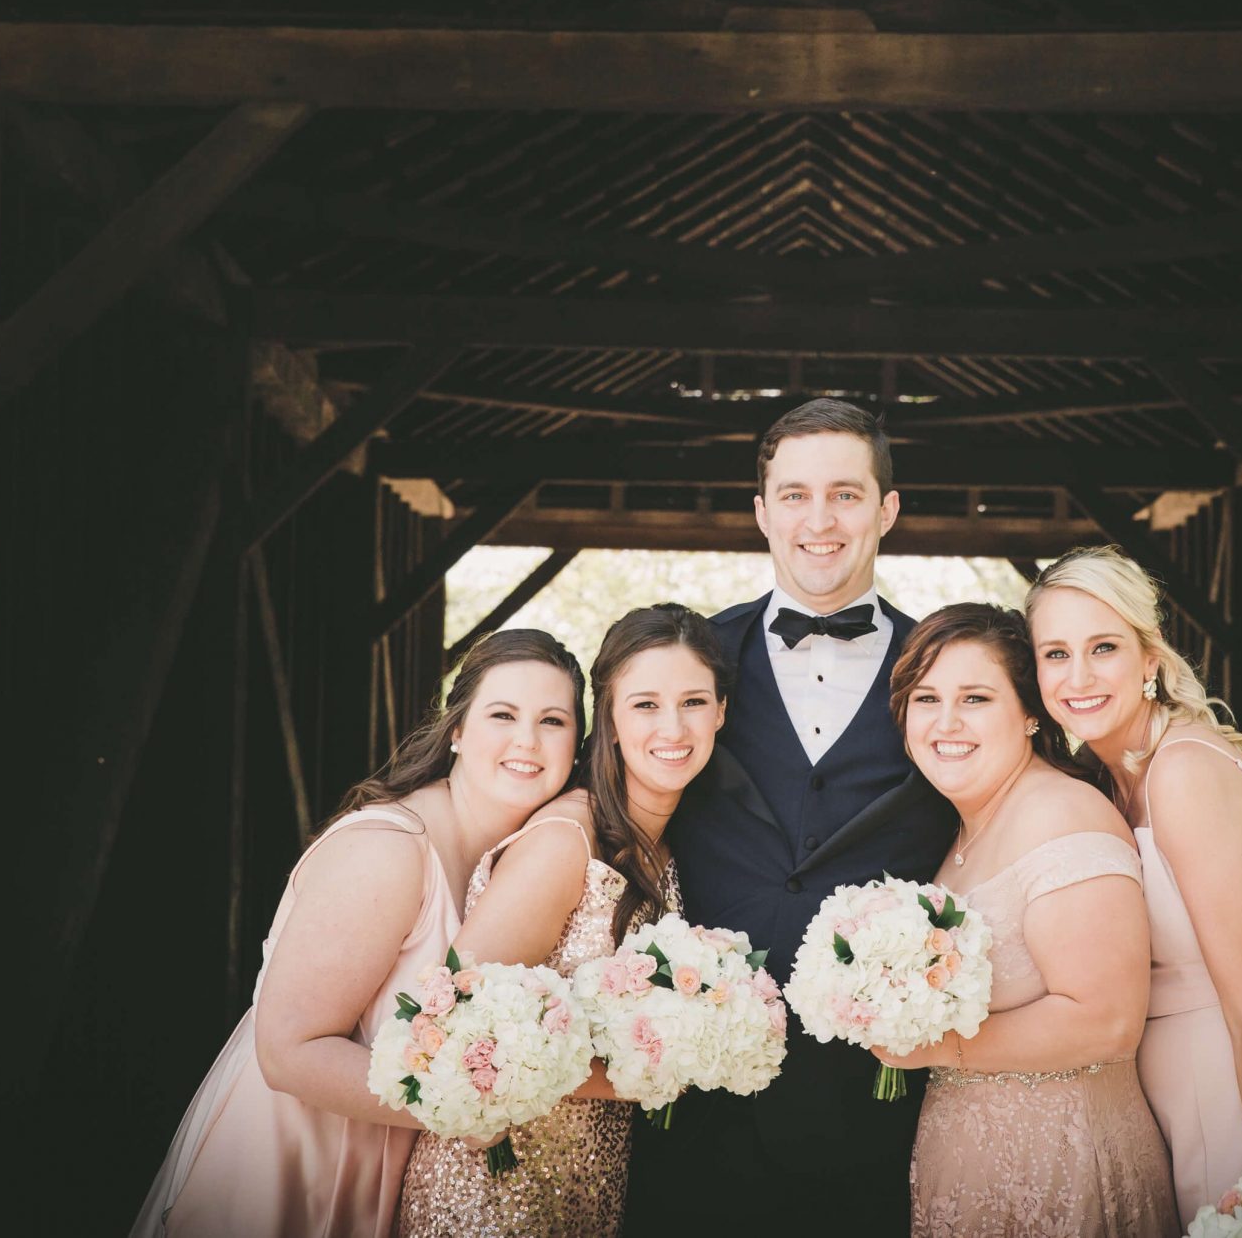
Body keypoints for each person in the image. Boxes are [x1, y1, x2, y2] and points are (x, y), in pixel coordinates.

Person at [624, 399, 959, 1238]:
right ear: (762, 510)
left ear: (886, 508)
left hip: (875, 1113)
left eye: (846, 494)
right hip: (696, 1107)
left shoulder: (945, 674)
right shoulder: (693, 659)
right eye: (795, 494)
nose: (820, 520)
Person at [129, 631, 587, 1238]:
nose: (527, 740)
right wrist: (464, 1105)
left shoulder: (509, 865)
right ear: (455, 729)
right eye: (502, 714)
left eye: (552, 720)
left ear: (577, 746)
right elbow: (288, 1052)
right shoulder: (389, 849)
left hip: (381, 1167)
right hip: (292, 1162)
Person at [1028, 545, 1242, 1219]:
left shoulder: (1184, 772)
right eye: (1056, 653)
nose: (1079, 675)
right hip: (1192, 1099)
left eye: (1104, 647)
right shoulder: (1111, 782)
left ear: (1149, 658)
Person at [396, 605, 732, 1236]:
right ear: (606, 714)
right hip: (491, 1191)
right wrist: (657, 1069)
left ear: (721, 711)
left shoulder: (661, 843)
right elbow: (452, 1027)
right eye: (645, 705)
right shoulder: (564, 842)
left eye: (692, 702)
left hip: (583, 1190)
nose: (673, 728)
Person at [876, 603, 1178, 1237]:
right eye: (926, 698)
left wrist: (929, 1046)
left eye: (977, 698)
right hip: (968, 1165)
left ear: (1031, 712)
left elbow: (1107, 1022)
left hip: (1062, 1168)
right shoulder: (960, 833)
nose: (947, 722)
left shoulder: (1062, 815)